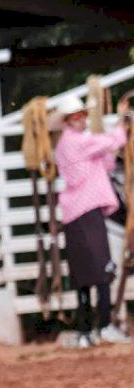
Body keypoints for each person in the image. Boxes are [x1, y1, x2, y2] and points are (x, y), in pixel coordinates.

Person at [53, 92, 133, 347]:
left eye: (82, 115)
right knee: (100, 268)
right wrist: (124, 120)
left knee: (84, 272)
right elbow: (113, 141)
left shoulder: (73, 143)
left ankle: (87, 329)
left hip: (77, 212)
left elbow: (106, 160)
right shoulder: (76, 143)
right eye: (76, 116)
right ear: (68, 121)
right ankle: (103, 327)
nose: (81, 119)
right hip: (85, 210)